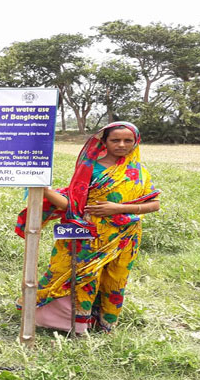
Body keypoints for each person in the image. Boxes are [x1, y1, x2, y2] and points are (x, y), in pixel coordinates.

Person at [15, 121, 160, 333]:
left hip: (125, 238)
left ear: (135, 142)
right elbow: (73, 206)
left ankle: (105, 324)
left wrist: (117, 208)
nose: (121, 145)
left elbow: (154, 204)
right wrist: (44, 190)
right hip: (89, 237)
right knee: (84, 278)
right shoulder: (89, 168)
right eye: (115, 140)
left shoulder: (139, 171)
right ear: (104, 141)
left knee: (115, 279)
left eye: (127, 140)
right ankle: (76, 326)